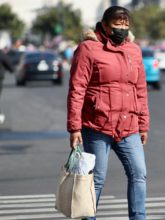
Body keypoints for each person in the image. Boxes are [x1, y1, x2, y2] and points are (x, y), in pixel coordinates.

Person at [67, 6, 149, 220]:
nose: (122, 29)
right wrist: (74, 127)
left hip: (128, 126)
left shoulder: (134, 50)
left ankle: (139, 217)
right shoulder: (88, 49)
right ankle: (88, 217)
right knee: (97, 179)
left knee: (139, 173)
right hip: (97, 126)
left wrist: (143, 124)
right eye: (116, 25)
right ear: (104, 25)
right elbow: (77, 89)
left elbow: (140, 90)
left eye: (125, 25)